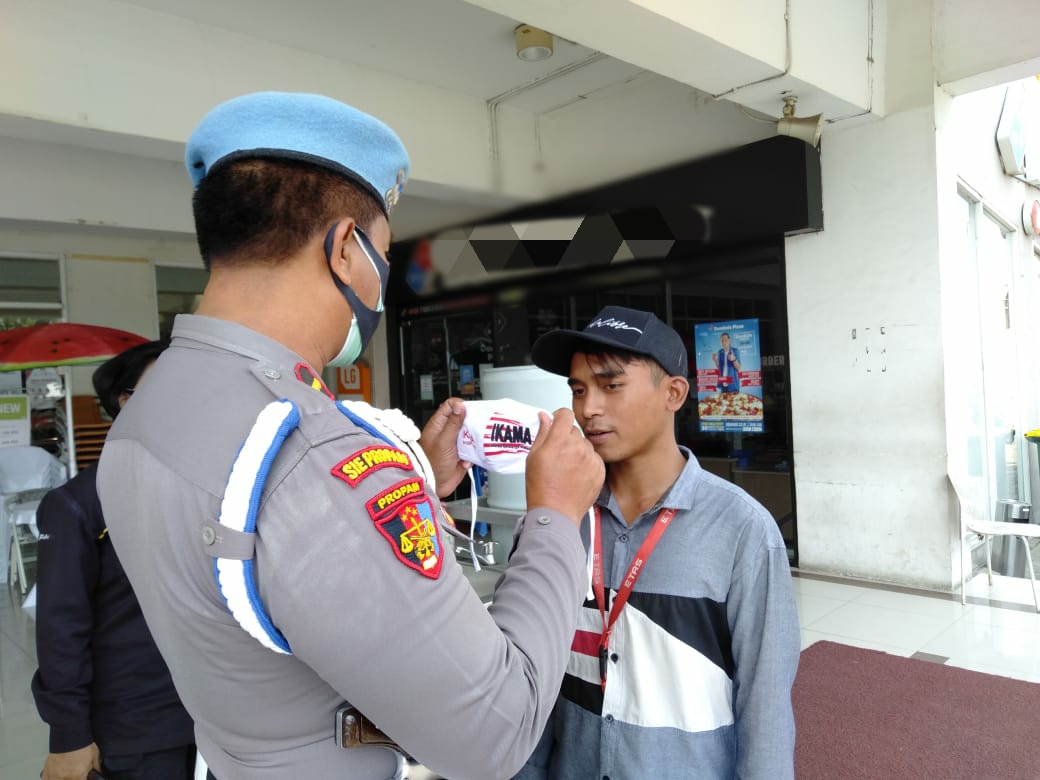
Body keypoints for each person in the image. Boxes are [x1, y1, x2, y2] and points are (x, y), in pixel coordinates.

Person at [96, 91, 603, 780]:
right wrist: (555, 515)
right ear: (344, 248)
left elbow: (273, 557)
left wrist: (418, 473)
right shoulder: (312, 450)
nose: (383, 285)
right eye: (385, 256)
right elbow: (494, 731)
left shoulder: (153, 402)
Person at [516, 305, 800, 779]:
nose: (588, 409)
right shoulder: (560, 522)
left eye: (611, 385)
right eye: (579, 389)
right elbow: (533, 672)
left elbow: (765, 707)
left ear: (673, 393)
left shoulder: (741, 530)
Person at [32, 340, 196, 780]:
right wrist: (68, 736)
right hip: (136, 729)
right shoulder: (77, 505)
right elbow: (60, 629)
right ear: (125, 403)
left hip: (214, 718)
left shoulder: (205, 491)